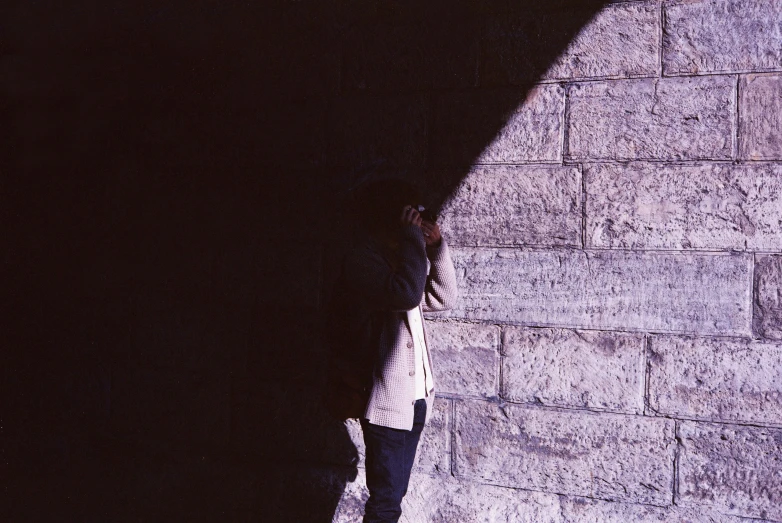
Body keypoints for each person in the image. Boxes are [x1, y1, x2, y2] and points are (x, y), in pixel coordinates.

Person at [326, 178, 458, 523]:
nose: (414, 221)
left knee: (393, 496)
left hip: (413, 400)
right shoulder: (363, 259)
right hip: (386, 402)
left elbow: (442, 298)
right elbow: (406, 295)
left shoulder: (402, 262)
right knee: (385, 502)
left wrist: (436, 247)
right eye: (409, 216)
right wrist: (413, 241)